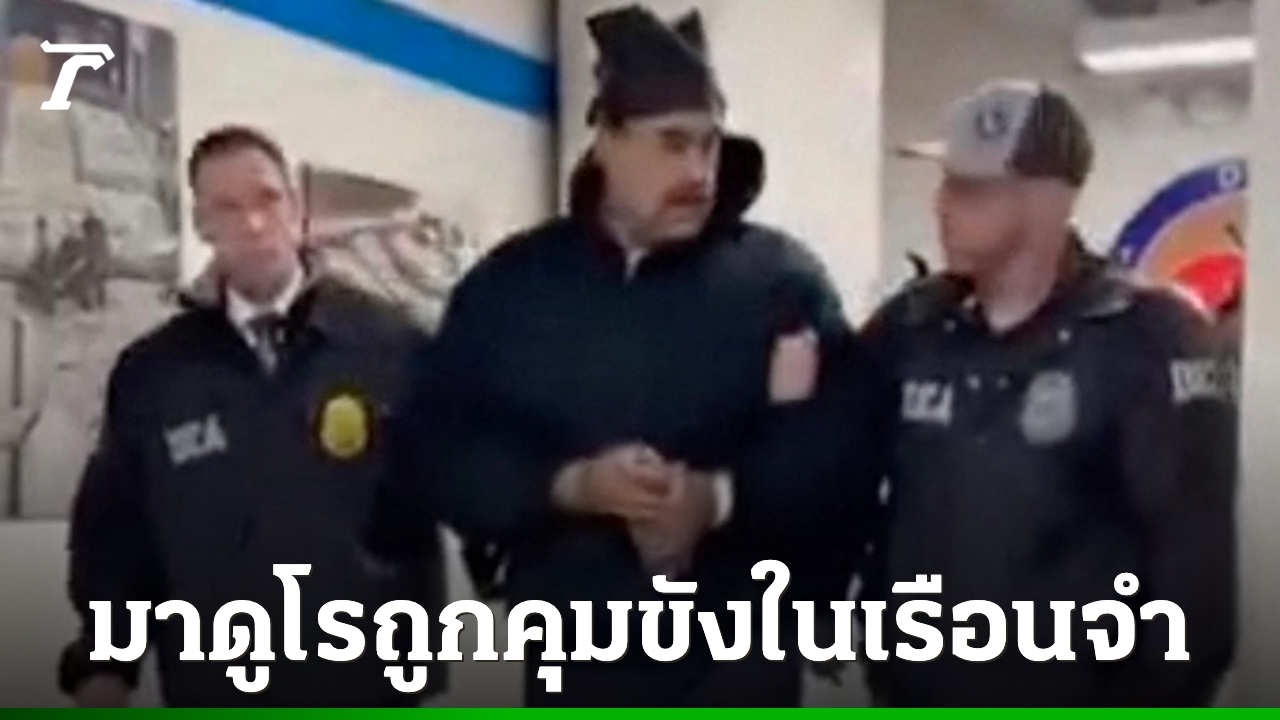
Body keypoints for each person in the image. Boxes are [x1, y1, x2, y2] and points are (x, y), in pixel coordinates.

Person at [376, 4, 880, 708]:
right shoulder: (513, 287)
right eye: (672, 144)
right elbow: (438, 447)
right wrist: (568, 485)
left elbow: (844, 449)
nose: (698, 170)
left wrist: (717, 497)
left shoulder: (779, 284)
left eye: (708, 144)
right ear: (607, 140)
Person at [861, 80, 1238, 707]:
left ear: (1045, 201)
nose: (942, 205)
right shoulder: (914, 327)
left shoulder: (1148, 338)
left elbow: (1196, 587)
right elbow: (836, 476)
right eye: (946, 183)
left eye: (971, 189)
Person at [59, 126, 448, 708]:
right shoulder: (154, 374)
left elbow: (464, 484)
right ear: (202, 225)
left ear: (296, 209)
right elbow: (115, 540)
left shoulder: (391, 346)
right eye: (229, 208)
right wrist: (105, 666)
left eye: (269, 199)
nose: (256, 223)